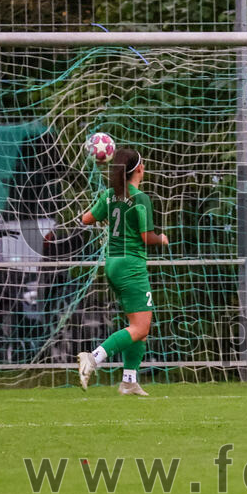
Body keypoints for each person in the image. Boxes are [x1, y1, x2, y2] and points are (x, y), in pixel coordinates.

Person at [76, 148, 169, 396]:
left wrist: (103, 209)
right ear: (139, 169)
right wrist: (161, 239)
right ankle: (93, 358)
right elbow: (146, 237)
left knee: (138, 326)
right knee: (141, 328)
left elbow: (85, 219)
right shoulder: (140, 198)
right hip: (131, 267)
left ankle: (129, 381)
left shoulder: (110, 195)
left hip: (113, 264)